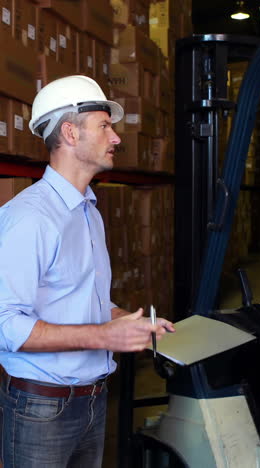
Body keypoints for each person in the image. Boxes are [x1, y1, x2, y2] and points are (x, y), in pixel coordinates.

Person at [0, 75, 175, 468]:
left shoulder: (88, 212)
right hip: (41, 408)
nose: (115, 138)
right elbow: (6, 326)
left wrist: (127, 325)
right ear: (70, 133)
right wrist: (103, 335)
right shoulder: (29, 218)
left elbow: (84, 298)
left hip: (93, 401)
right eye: (104, 126)